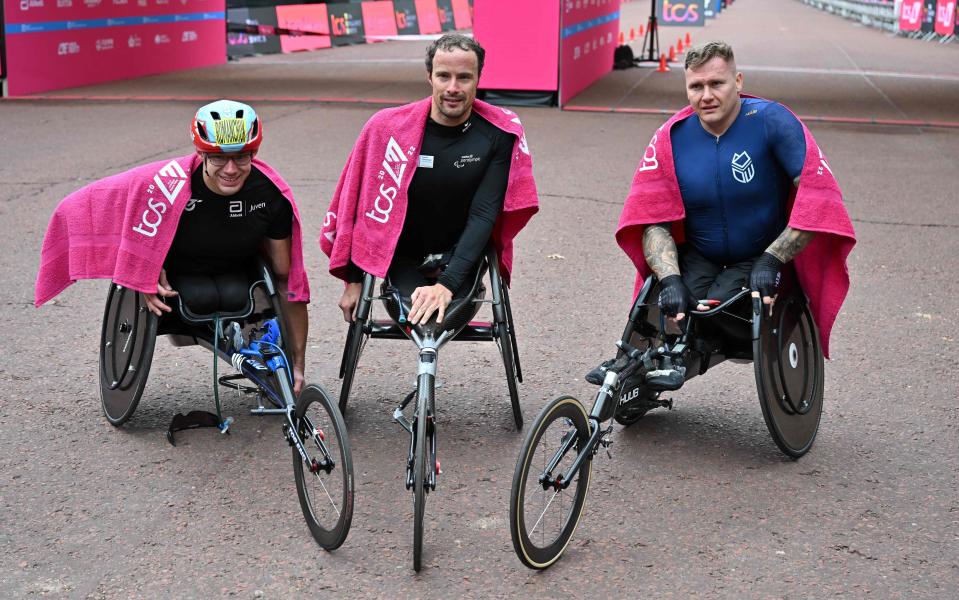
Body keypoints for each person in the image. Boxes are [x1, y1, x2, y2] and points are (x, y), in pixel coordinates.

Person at [601, 41, 855, 389]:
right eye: (696, 86)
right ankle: (637, 366)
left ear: (737, 81)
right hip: (701, 252)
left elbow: (818, 199)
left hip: (758, 252)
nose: (706, 95)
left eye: (716, 84)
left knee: (713, 308)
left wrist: (773, 258)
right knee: (666, 303)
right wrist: (670, 278)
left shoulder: (772, 121)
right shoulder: (671, 137)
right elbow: (651, 218)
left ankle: (703, 345)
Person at [35, 100, 311, 395]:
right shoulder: (168, 184)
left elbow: (287, 281)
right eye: (218, 158)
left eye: (242, 157)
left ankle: (252, 334)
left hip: (236, 272)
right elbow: (92, 201)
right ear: (201, 152)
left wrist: (297, 365)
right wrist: (143, 269)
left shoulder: (270, 194)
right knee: (200, 294)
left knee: (275, 273)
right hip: (176, 278)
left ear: (254, 153)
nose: (231, 169)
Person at [321, 33, 538, 326]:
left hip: (461, 254)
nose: (453, 88)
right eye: (443, 76)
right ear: (429, 77)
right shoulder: (387, 129)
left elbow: (484, 214)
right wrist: (354, 279)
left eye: (464, 77)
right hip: (401, 254)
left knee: (438, 318)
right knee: (422, 320)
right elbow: (363, 207)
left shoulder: (499, 134)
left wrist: (447, 284)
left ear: (478, 78)